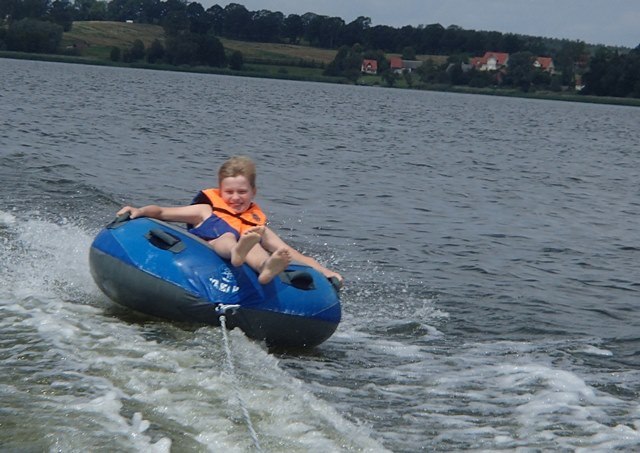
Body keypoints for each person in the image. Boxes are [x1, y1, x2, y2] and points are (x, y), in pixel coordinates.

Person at [117, 156, 343, 285]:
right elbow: (162, 212)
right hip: (210, 249)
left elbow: (291, 253)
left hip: (246, 247)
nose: (235, 198)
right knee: (226, 237)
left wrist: (324, 271)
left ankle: (266, 269)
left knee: (254, 242)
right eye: (229, 192)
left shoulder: (256, 225)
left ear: (254, 192)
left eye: (242, 192)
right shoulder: (205, 210)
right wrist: (139, 210)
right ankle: (237, 253)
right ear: (220, 191)